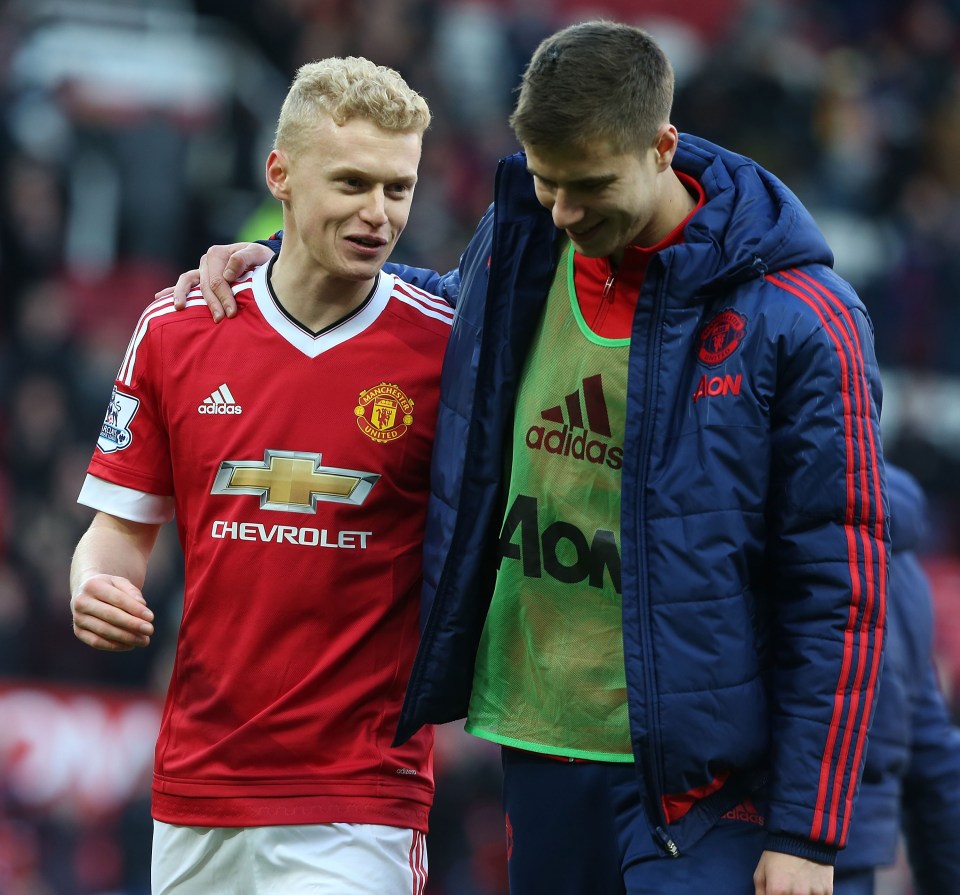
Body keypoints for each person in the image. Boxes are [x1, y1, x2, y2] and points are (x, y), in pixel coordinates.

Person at [169, 21, 888, 895]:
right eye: (546, 183)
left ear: (663, 147)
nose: (565, 212)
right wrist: (288, 262)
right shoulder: (527, 249)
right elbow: (446, 316)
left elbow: (838, 591)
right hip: (541, 740)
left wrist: (810, 832)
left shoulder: (801, 319)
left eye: (589, 186)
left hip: (705, 782)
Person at [70, 56, 452, 894]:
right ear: (280, 174)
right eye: (352, 182)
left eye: (399, 188)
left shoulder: (447, 346)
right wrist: (96, 584)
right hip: (200, 782)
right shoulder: (176, 329)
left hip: (360, 795)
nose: (378, 214)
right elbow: (116, 533)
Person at [833, 464, 960, 895]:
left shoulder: (766, 531)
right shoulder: (905, 572)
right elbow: (935, 760)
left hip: (740, 845)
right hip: (853, 862)